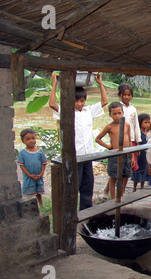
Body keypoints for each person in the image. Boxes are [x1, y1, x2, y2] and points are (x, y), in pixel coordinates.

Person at [49, 72, 108, 210]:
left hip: (88, 154)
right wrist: (54, 84)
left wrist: (100, 83)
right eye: (76, 101)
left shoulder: (88, 110)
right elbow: (52, 104)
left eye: (82, 100)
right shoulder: (66, 111)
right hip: (75, 155)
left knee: (87, 184)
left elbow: (104, 102)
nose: (80, 104)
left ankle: (86, 211)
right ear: (70, 100)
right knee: (74, 185)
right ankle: (70, 211)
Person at [101, 83, 141, 199]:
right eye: (124, 95)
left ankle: (121, 192)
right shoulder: (117, 107)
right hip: (117, 144)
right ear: (120, 95)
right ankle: (109, 191)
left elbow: (135, 125)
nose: (126, 97)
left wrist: (138, 141)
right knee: (115, 171)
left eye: (129, 95)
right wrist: (110, 144)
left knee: (127, 170)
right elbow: (112, 128)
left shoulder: (133, 109)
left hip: (130, 141)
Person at [95, 102, 133, 199]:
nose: (117, 116)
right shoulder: (109, 127)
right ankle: (112, 198)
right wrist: (108, 146)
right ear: (110, 115)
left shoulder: (127, 125)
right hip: (115, 155)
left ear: (123, 113)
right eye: (114, 114)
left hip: (126, 154)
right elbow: (98, 139)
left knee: (126, 175)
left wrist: (132, 156)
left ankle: (121, 194)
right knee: (113, 176)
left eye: (119, 113)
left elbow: (129, 140)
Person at [17, 128, 47, 207]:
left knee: (38, 191)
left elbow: (43, 163)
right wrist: (29, 175)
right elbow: (22, 166)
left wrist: (41, 174)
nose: (31, 141)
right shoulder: (22, 153)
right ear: (23, 141)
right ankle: (31, 206)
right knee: (29, 191)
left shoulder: (40, 151)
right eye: (28, 139)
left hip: (38, 175)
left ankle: (41, 204)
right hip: (29, 176)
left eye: (33, 138)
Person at [131, 113, 151, 191]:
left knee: (144, 170)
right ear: (140, 123)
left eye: (148, 122)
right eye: (145, 122)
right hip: (140, 155)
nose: (147, 124)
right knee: (137, 170)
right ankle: (134, 188)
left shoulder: (149, 134)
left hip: (146, 156)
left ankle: (142, 187)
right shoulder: (138, 134)